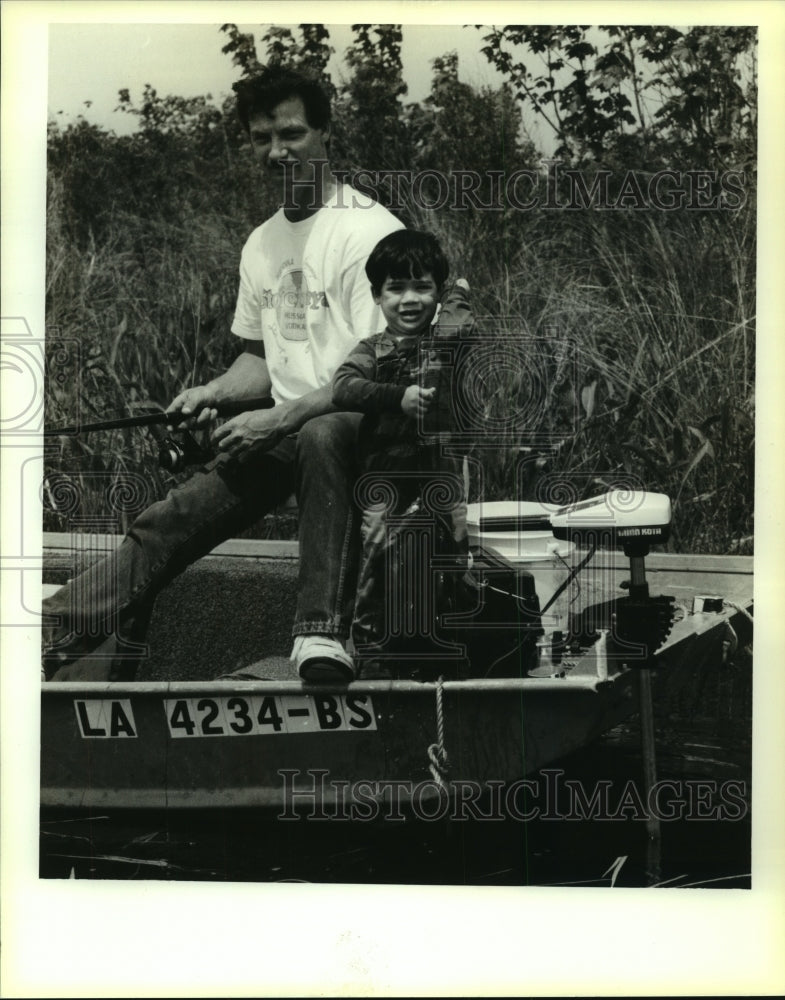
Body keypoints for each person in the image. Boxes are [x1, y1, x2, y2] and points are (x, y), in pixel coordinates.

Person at [42, 66, 403, 684]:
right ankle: (50, 632)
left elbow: (377, 372)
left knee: (321, 435)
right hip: (282, 430)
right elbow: (262, 360)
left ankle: (322, 639)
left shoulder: (370, 232)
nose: (276, 152)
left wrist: (279, 417)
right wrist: (213, 392)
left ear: (324, 131)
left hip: (358, 429)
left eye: (290, 133)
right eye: (261, 138)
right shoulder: (261, 243)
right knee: (170, 518)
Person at [331, 230, 476, 679]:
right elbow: (343, 386)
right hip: (385, 479)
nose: (409, 299)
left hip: (442, 473)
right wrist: (398, 397)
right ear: (377, 296)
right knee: (378, 553)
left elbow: (462, 321)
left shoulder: (446, 342)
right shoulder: (373, 349)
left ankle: (453, 639)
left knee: (453, 554)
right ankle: (371, 649)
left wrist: (457, 291)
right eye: (395, 288)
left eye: (422, 287)